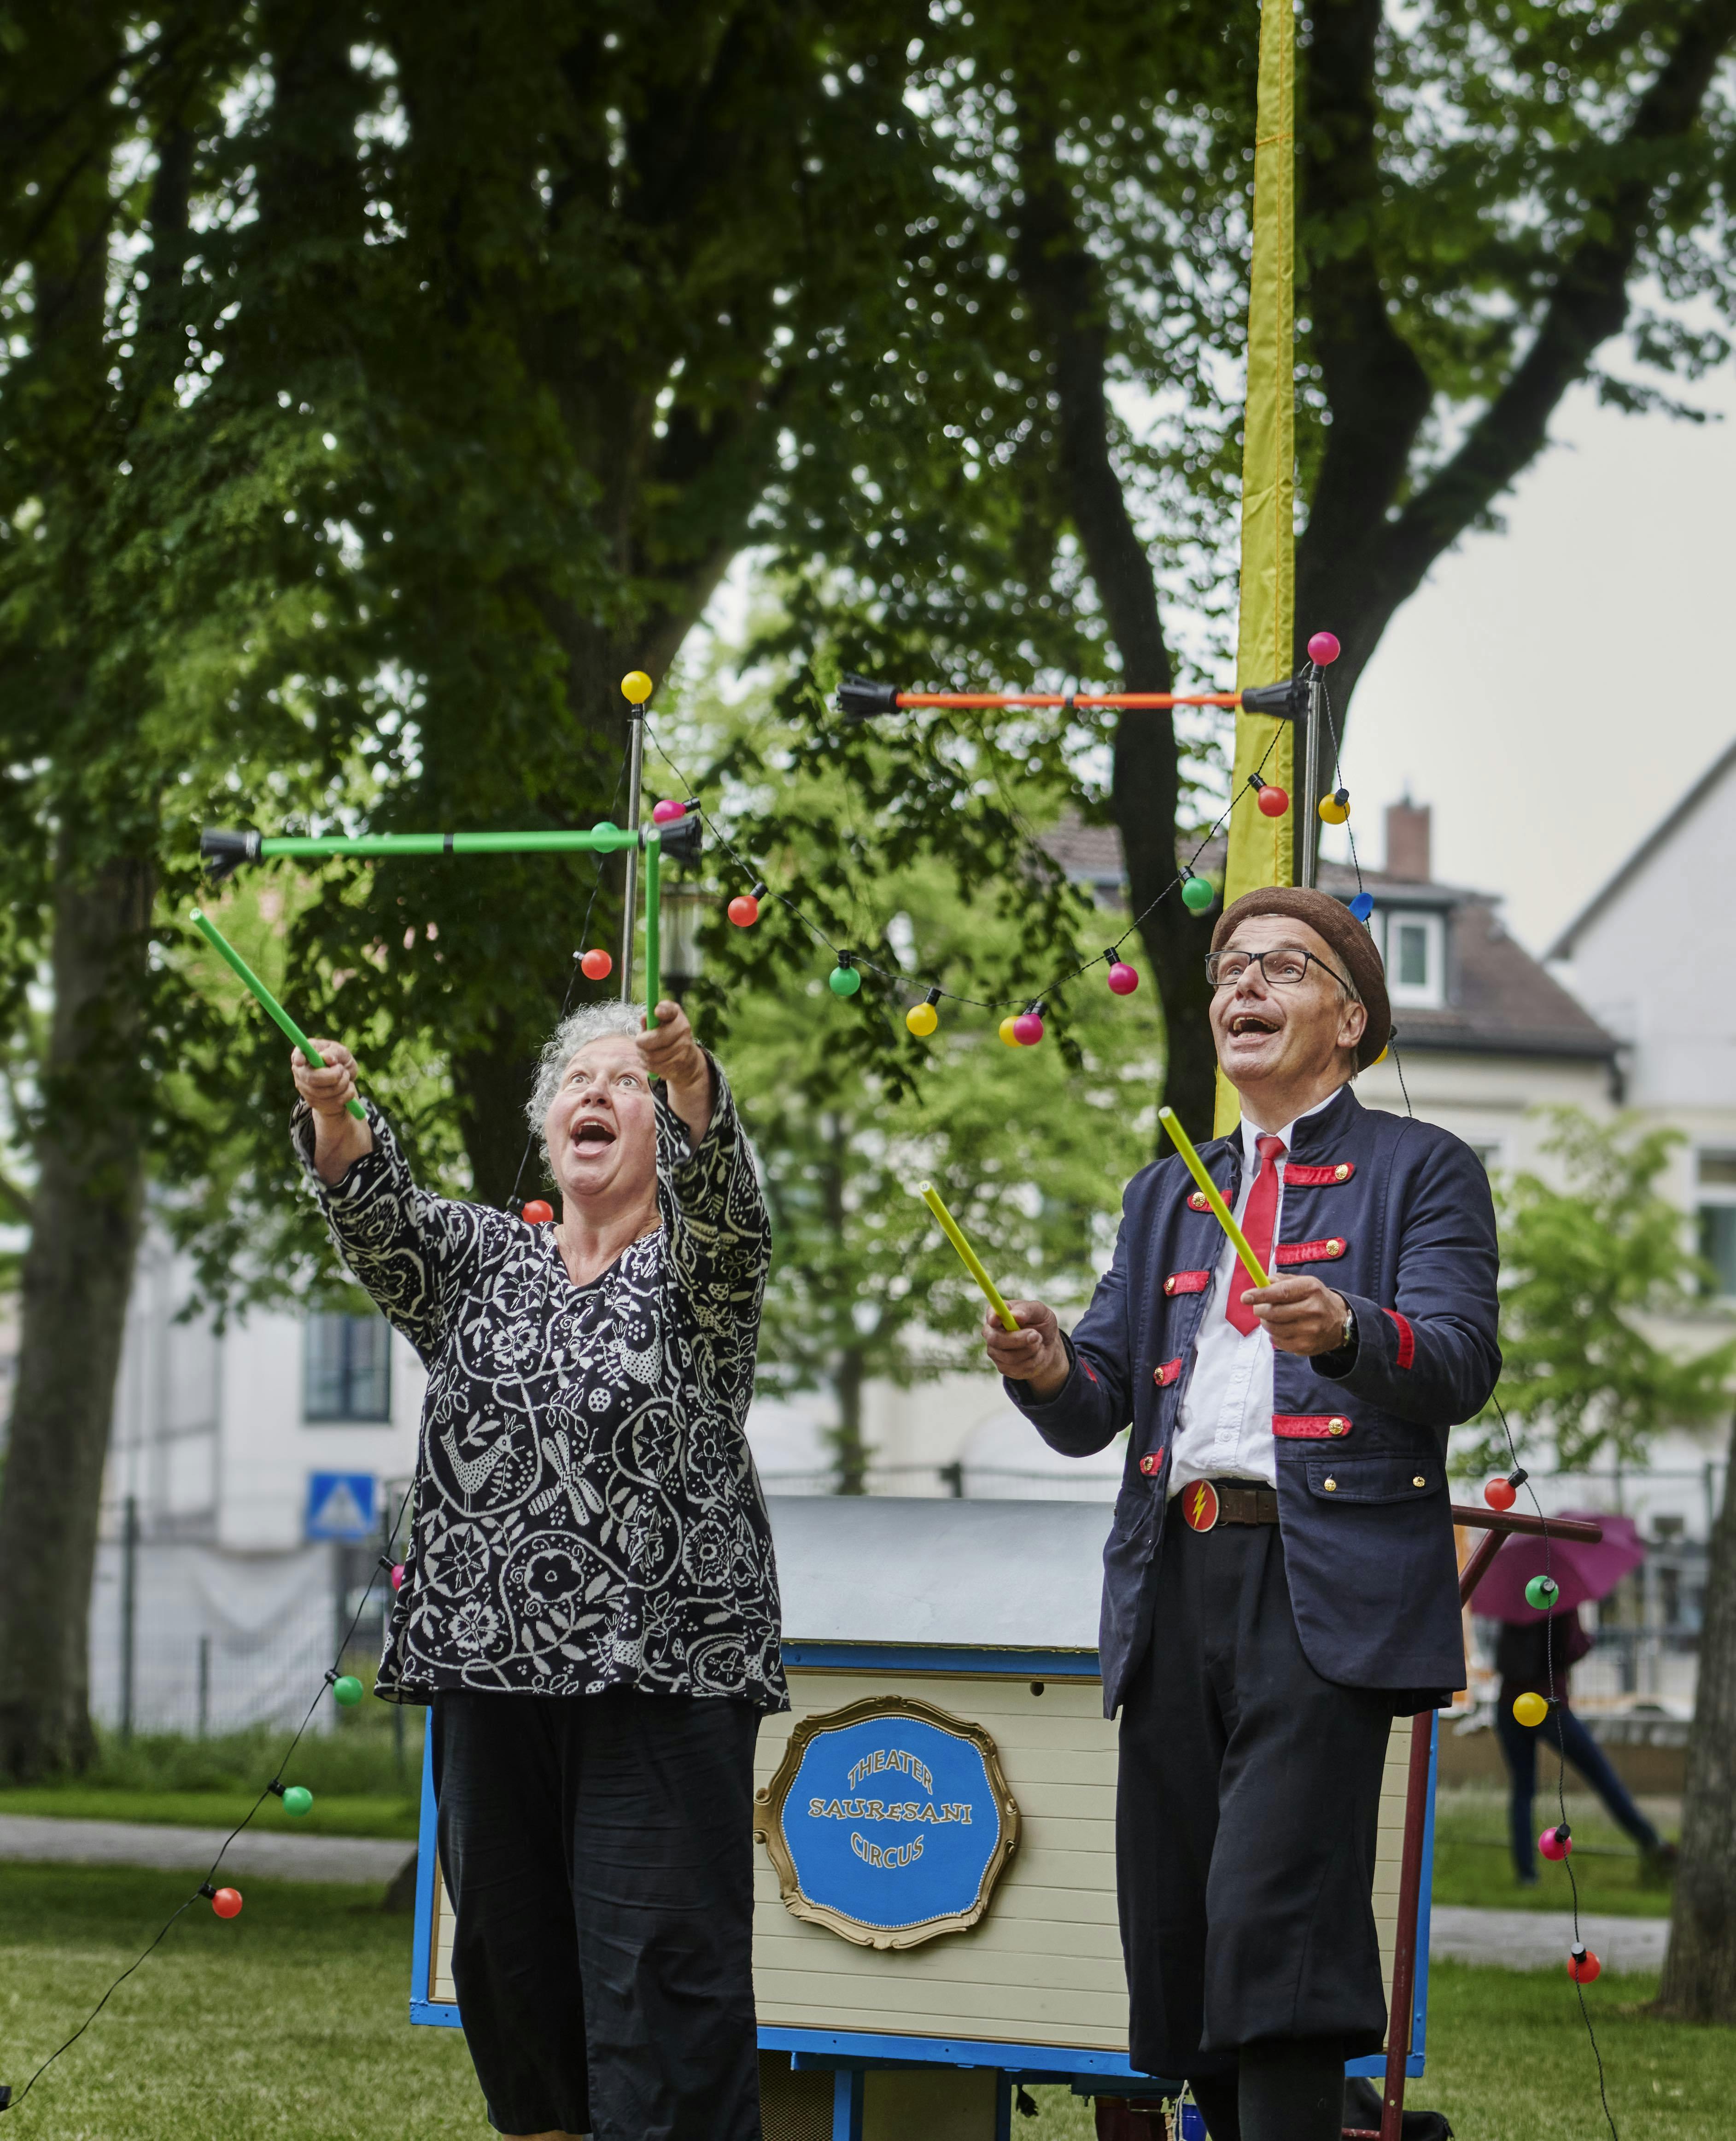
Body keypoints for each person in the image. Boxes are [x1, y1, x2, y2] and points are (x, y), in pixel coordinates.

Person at [984, 888, 1501, 2141]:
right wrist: (1046, 1363)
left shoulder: (1420, 1171)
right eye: (1227, 968)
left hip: (1320, 1586)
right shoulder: (1166, 1192)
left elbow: (1459, 1359)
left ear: (1350, 1016)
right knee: (1181, 1925)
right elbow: (1099, 1398)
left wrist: (1349, 1331)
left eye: (1281, 965)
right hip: (1172, 1582)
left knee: (1275, 1913)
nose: (1241, 986)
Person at [290, 1000, 780, 2141]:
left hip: (659, 1674)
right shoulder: (479, 1260)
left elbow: (730, 1209)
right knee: (512, 1979)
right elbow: (378, 1218)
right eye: (576, 1082)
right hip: (483, 1666)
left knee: (662, 1975)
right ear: (548, 1125)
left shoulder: (699, 1272)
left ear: (667, 1129)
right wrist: (334, 1114)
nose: (596, 1094)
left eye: (628, 1083)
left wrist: (694, 1081)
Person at [1492, 1607, 1671, 1884]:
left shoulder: (1516, 1595)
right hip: (1550, 1706)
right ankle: (1652, 1844)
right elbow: (1571, 1649)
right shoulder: (1561, 1599)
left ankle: (1526, 1875)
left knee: (1523, 1790)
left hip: (1511, 1705)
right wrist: (1589, 1639)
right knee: (1602, 1776)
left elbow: (1504, 1655)